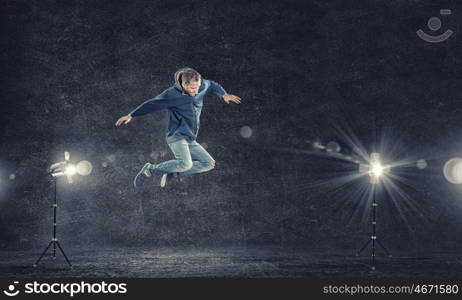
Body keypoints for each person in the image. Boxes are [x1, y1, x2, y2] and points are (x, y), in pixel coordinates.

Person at [115, 67, 241, 188]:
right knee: (186, 164)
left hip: (190, 137)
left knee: (208, 164)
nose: (196, 92)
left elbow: (212, 85)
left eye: (197, 87)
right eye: (192, 88)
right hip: (176, 135)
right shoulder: (172, 94)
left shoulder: (201, 85)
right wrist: (132, 115)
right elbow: (152, 103)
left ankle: (174, 172)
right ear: (183, 84)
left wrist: (223, 94)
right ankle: (150, 170)